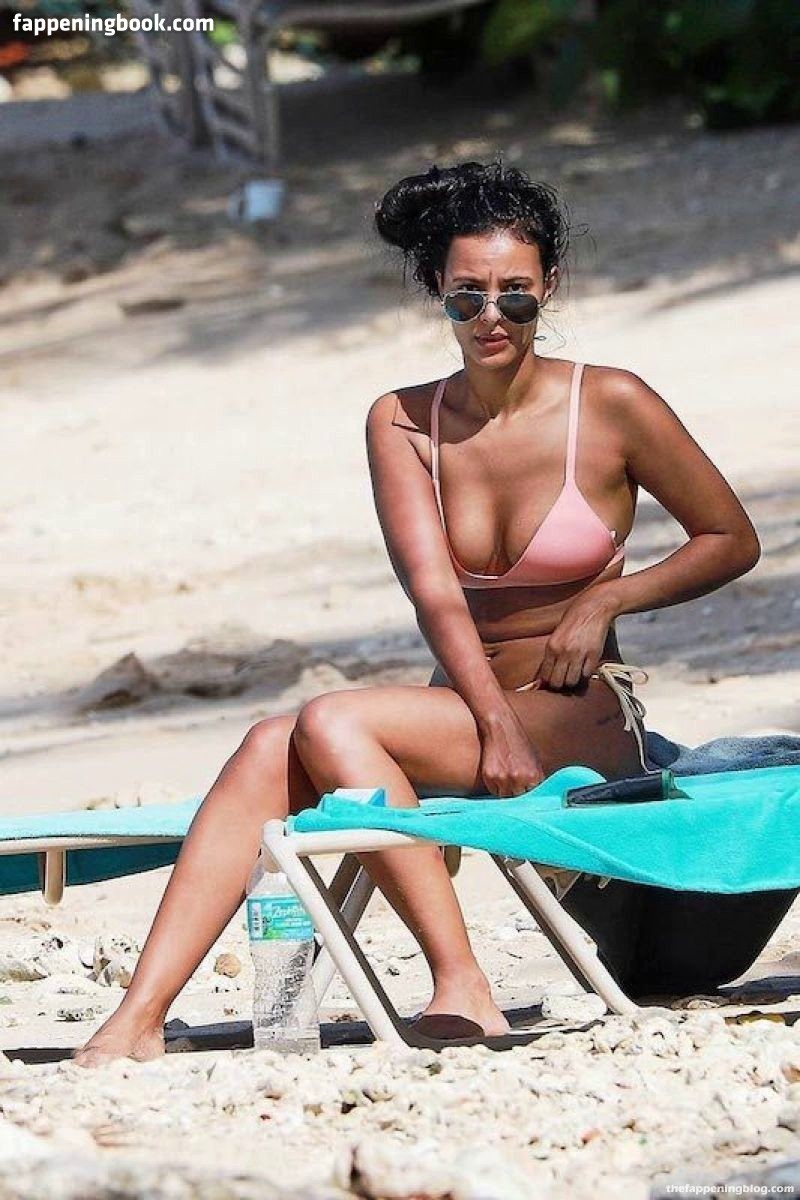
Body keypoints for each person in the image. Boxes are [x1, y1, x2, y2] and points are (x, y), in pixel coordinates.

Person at [75, 160, 762, 1066]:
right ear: (438, 289)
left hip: (581, 712)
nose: (491, 317)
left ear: (550, 287)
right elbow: (433, 591)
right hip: (471, 710)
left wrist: (609, 597)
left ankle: (461, 983)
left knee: (332, 720)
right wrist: (491, 724)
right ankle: (138, 1017)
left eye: (516, 295)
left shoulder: (612, 403)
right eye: (467, 296)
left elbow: (730, 538)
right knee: (269, 745)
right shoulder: (402, 421)